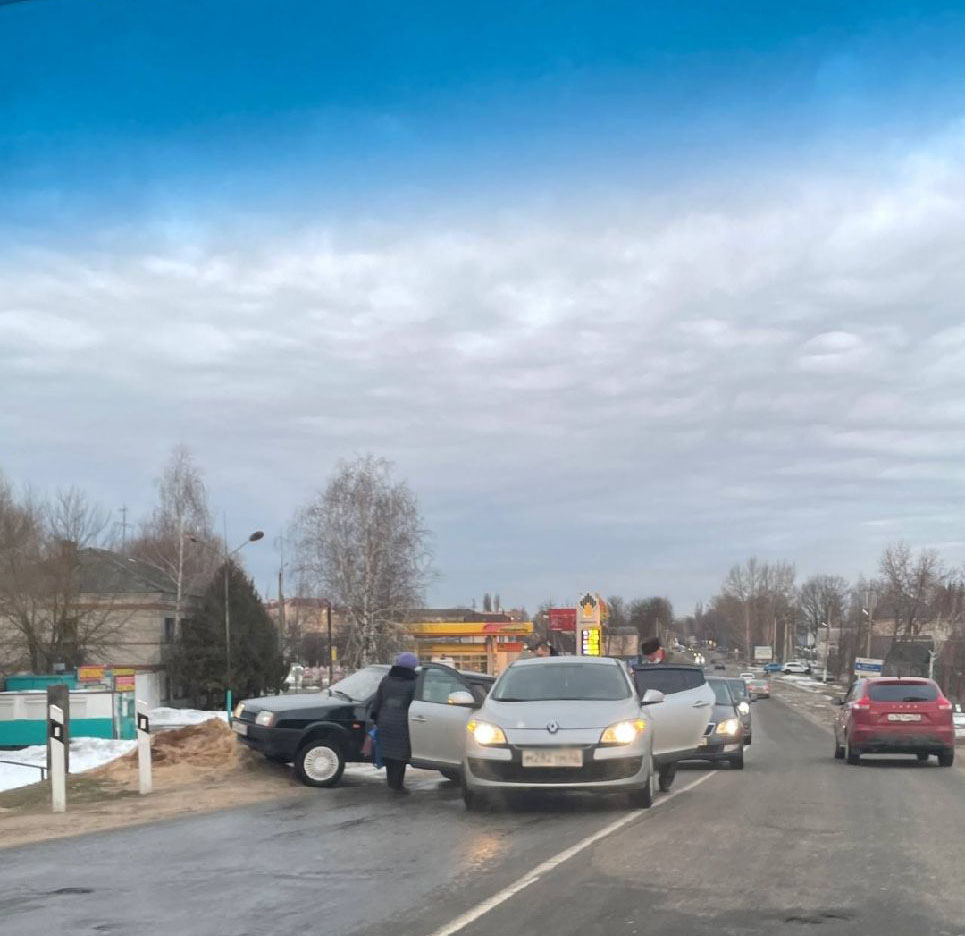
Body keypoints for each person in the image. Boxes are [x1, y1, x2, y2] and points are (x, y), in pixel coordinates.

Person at [370, 652, 419, 793]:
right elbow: (414, 704)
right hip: (402, 724)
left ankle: (392, 782)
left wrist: (375, 718)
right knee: (400, 756)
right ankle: (397, 785)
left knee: (389, 754)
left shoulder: (386, 680)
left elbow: (377, 701)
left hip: (384, 721)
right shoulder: (413, 683)